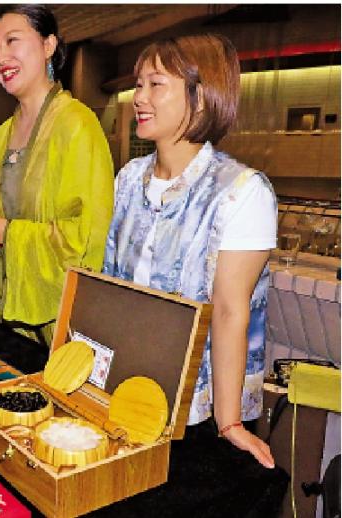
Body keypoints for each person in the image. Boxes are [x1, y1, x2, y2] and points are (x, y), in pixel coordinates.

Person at [101, 33, 277, 469]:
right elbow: (114, 283)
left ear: (201, 99)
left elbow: (230, 311)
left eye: (155, 84)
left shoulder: (241, 191)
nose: (138, 97)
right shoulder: (129, 177)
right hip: (128, 393)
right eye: (138, 84)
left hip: (196, 411)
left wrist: (229, 422)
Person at [0, 5, 114, 345]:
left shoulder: (77, 125)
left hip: (64, 324)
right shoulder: (3, 134)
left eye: (12, 41)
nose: (1, 57)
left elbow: (89, 237)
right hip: (15, 318)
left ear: (49, 46)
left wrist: (10, 233)